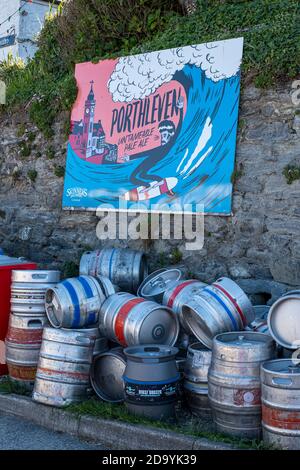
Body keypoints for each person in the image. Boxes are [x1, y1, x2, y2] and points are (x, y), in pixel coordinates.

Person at [129, 96, 184, 188]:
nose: (163, 137)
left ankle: (159, 181)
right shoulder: (162, 146)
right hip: (150, 158)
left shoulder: (168, 144)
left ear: (171, 135)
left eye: (165, 135)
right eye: (162, 134)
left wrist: (180, 109)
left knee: (137, 176)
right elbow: (149, 152)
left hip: (152, 159)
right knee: (136, 177)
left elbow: (179, 127)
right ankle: (147, 185)